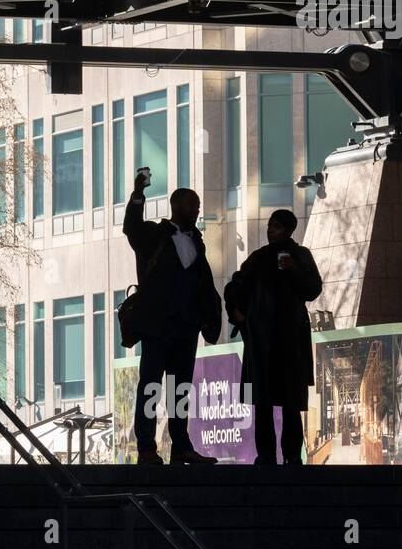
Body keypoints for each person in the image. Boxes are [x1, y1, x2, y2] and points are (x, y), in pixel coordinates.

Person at [122, 170, 223, 465]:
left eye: (198, 205)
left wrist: (207, 317)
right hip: (158, 326)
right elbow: (131, 227)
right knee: (151, 386)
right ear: (177, 206)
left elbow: (201, 282)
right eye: (193, 205)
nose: (197, 210)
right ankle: (146, 448)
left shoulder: (197, 242)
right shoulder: (155, 236)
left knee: (180, 389)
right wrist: (139, 193)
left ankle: (181, 447)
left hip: (187, 326)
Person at [224, 209, 323, 465]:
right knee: (262, 401)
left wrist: (294, 270)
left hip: (290, 337)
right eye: (270, 225)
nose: (271, 230)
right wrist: (237, 313)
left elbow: (313, 289)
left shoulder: (301, 256)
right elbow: (236, 284)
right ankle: (266, 456)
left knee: (291, 402)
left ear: (289, 230)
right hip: (262, 338)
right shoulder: (259, 258)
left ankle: (292, 455)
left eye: (277, 226)